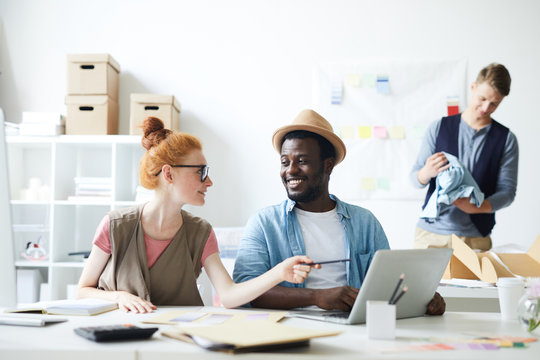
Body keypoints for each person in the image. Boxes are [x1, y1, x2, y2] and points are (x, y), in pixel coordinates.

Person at [77, 116, 316, 313]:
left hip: (177, 341)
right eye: (201, 172)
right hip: (115, 340)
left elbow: (230, 296)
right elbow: (83, 291)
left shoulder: (200, 232)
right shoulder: (115, 226)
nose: (209, 182)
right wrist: (119, 297)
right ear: (169, 174)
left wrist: (280, 272)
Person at [233, 109, 445, 314]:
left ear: (328, 165)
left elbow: (387, 284)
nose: (290, 170)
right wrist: (316, 297)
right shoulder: (264, 223)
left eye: (302, 161)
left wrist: (422, 297)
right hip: (288, 327)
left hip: (354, 327)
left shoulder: (365, 222)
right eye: (285, 162)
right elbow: (246, 291)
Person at [411, 63, 518, 250]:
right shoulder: (438, 128)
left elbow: (507, 193)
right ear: (473, 87)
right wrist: (426, 172)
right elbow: (415, 179)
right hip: (430, 236)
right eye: (482, 98)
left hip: (476, 239)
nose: (485, 108)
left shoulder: (506, 139)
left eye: (494, 103)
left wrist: (479, 206)